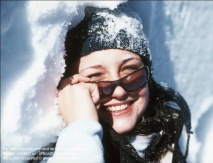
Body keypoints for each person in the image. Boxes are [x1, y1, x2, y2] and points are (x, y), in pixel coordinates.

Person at [30, 3, 192, 163]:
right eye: (97, 81)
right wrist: (80, 128)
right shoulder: (57, 154)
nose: (120, 92)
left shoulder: (165, 134)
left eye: (131, 73)